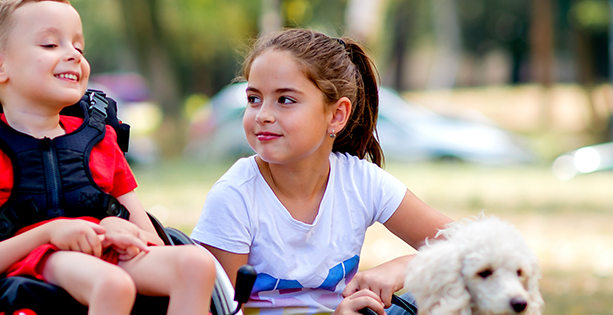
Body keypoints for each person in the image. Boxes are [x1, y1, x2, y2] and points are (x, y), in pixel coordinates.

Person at [0, 1, 215, 314]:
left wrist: (121, 229)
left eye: (78, 46)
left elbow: (152, 238)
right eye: (50, 44)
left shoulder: (101, 139)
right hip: (34, 265)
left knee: (196, 263)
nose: (74, 55)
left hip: (106, 253)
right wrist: (49, 233)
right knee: (112, 283)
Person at [190, 29, 455, 315]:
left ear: (337, 115)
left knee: (455, 290)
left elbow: (470, 246)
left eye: (285, 100)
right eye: (254, 99)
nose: (263, 115)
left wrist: (403, 268)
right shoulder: (235, 196)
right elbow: (216, 310)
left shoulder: (361, 181)